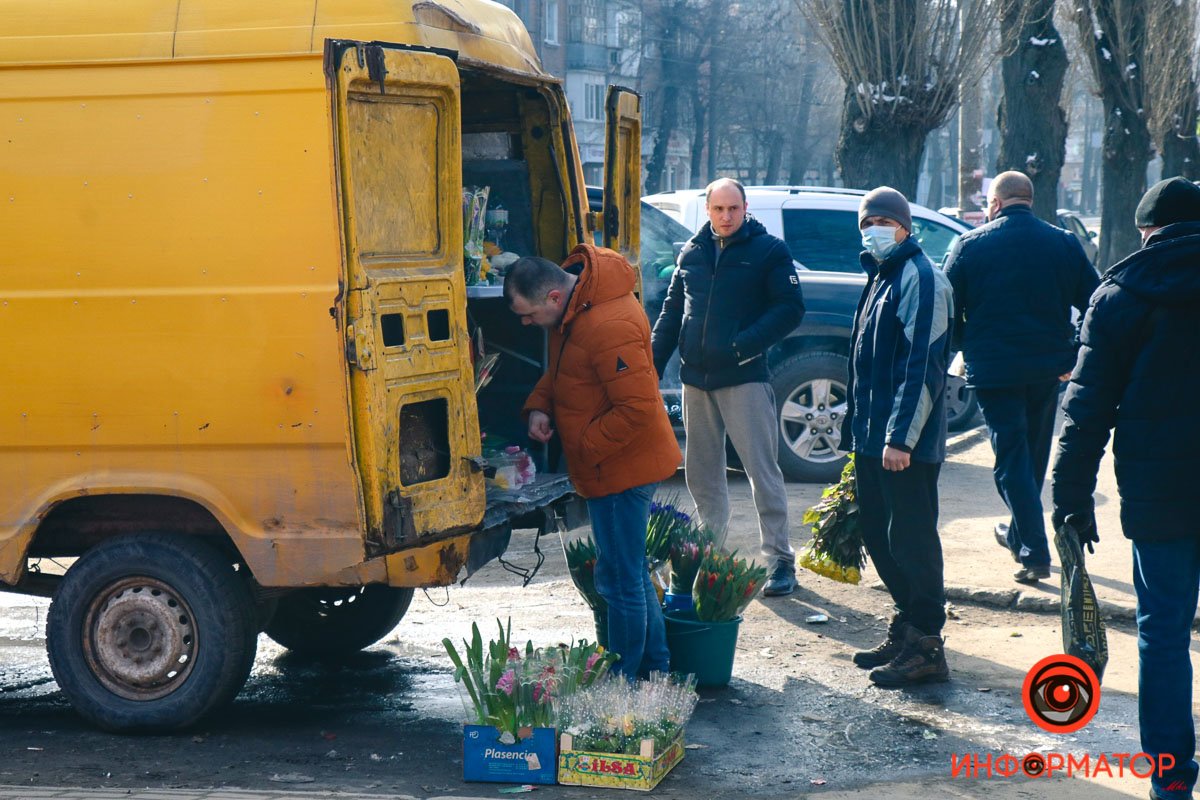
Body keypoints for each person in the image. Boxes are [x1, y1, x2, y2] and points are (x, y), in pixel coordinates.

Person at [1052, 176, 1200, 800]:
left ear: (1147, 232)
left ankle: (1171, 781)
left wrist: (1069, 495)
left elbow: (1086, 409)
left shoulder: (1120, 295)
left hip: (1158, 491)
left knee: (1162, 632)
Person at [506, 246, 682, 680]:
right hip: (611, 465)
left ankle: (621, 682)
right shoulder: (575, 309)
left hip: (623, 468)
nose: (526, 324)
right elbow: (568, 369)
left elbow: (637, 409)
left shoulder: (607, 323)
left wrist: (583, 445)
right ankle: (656, 671)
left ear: (551, 297)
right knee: (630, 574)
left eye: (528, 314)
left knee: (619, 583)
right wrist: (541, 405)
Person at [650, 178, 806, 597]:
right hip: (696, 381)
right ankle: (706, 555)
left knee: (762, 471)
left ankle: (780, 561)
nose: (726, 216)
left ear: (745, 207)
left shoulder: (768, 251)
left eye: (733, 208)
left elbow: (790, 309)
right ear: (708, 210)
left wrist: (742, 346)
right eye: (718, 209)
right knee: (702, 476)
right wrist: (650, 365)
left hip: (744, 379)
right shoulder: (692, 252)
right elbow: (670, 313)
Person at [944, 171, 1099, 585]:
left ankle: (1033, 548)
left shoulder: (969, 246)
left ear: (995, 204)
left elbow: (947, 307)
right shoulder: (1063, 243)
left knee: (1011, 458)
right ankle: (1019, 534)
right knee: (1030, 454)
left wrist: (967, 344)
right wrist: (1074, 352)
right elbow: (1096, 302)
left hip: (994, 370)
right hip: (1048, 368)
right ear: (1030, 200)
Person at [841, 187, 955, 687]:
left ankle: (927, 643)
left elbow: (921, 368)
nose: (875, 229)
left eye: (885, 220)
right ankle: (907, 626)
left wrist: (900, 439)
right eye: (868, 221)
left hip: (904, 442)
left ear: (906, 226)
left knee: (911, 539)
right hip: (873, 438)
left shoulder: (922, 278)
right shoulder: (881, 276)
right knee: (877, 534)